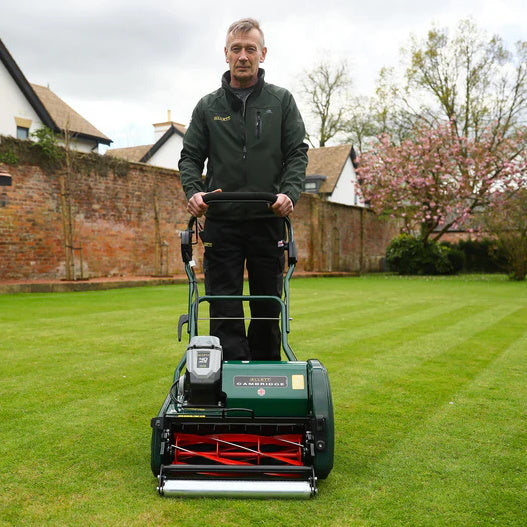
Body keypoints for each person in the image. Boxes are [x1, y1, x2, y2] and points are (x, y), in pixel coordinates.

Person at [179, 18, 308, 361]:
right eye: (236, 49)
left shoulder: (281, 102)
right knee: (223, 305)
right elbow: (190, 157)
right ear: (226, 55)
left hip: (268, 218)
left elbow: (297, 153)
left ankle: (268, 373)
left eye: (250, 49)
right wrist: (194, 191)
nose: (243, 56)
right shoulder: (209, 107)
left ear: (262, 54)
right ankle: (227, 377)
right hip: (222, 221)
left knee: (267, 304)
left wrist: (289, 194)